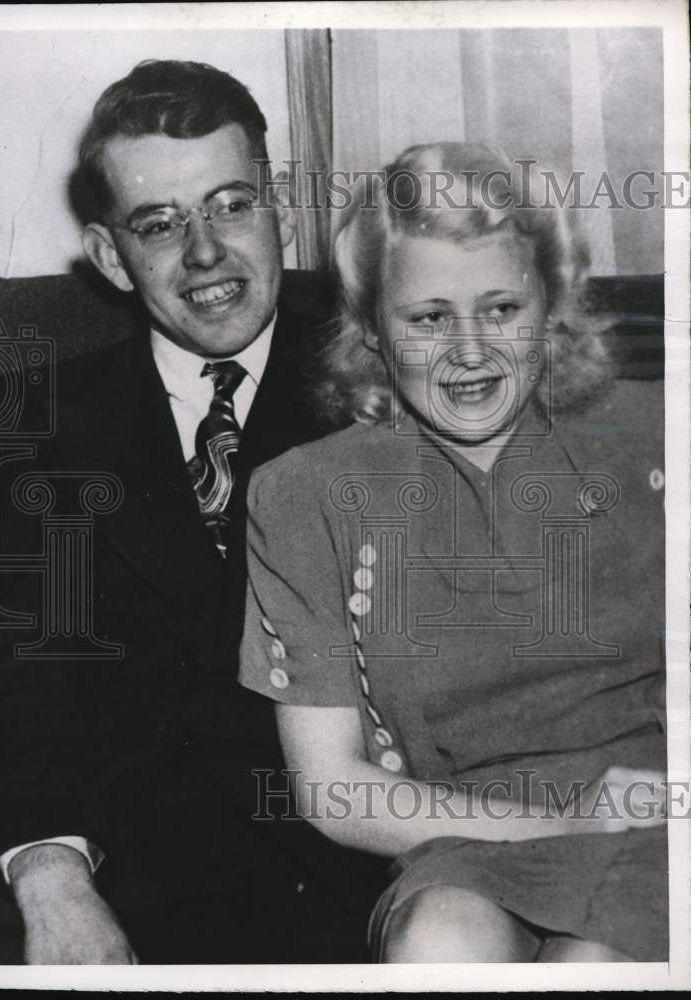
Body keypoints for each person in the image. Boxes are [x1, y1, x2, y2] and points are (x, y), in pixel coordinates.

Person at [0, 59, 383, 965]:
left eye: (231, 205)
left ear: (279, 203)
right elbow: (23, 681)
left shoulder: (388, 361)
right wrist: (48, 874)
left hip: (358, 871)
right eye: (160, 225)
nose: (205, 252)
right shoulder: (35, 429)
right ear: (108, 258)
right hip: (132, 880)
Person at [239, 142, 668, 963]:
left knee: (596, 964)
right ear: (370, 329)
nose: (469, 349)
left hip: (661, 817)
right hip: (460, 835)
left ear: (549, 306)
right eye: (427, 318)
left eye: (501, 308)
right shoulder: (303, 495)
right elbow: (332, 790)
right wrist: (563, 819)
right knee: (439, 942)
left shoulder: (655, 436)